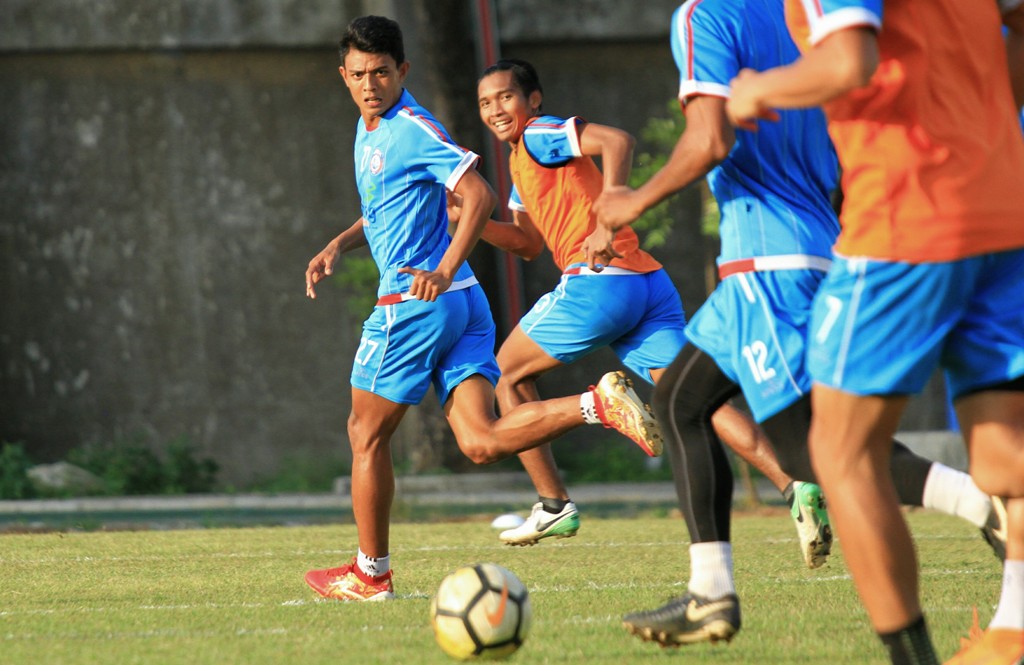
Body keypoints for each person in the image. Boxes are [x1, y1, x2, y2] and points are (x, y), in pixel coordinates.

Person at [589, 0, 1007, 650]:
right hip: (809, 242)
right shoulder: (793, 15)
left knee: (821, 451)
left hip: (770, 261)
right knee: (679, 401)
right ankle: (710, 591)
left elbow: (712, 139)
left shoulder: (703, 17)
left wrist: (630, 202)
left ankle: (987, 506)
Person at [301, 15, 663, 603]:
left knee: (364, 433)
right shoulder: (373, 130)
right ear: (343, 76)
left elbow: (479, 195)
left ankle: (370, 574)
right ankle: (593, 404)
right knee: (480, 440)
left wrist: (441, 270)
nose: (371, 85)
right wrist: (339, 244)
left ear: (403, 72)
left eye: (383, 74)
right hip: (465, 304)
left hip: (418, 303)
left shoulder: (411, 127)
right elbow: (391, 202)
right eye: (360, 75)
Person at [725, 0, 1024, 662]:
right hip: (1003, 207)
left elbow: (847, 61)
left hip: (908, 218)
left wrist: (755, 89)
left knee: (839, 453)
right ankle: (1016, 627)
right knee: (1005, 456)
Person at [465, 58, 829, 563]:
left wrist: (609, 220)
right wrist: (469, 218)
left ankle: (553, 502)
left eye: (506, 96)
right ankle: (795, 486)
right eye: (485, 102)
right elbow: (527, 243)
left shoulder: (539, 135)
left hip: (601, 281)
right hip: (647, 285)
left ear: (534, 100)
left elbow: (617, 141)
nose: (496, 109)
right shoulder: (521, 164)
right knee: (696, 396)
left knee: (505, 373)